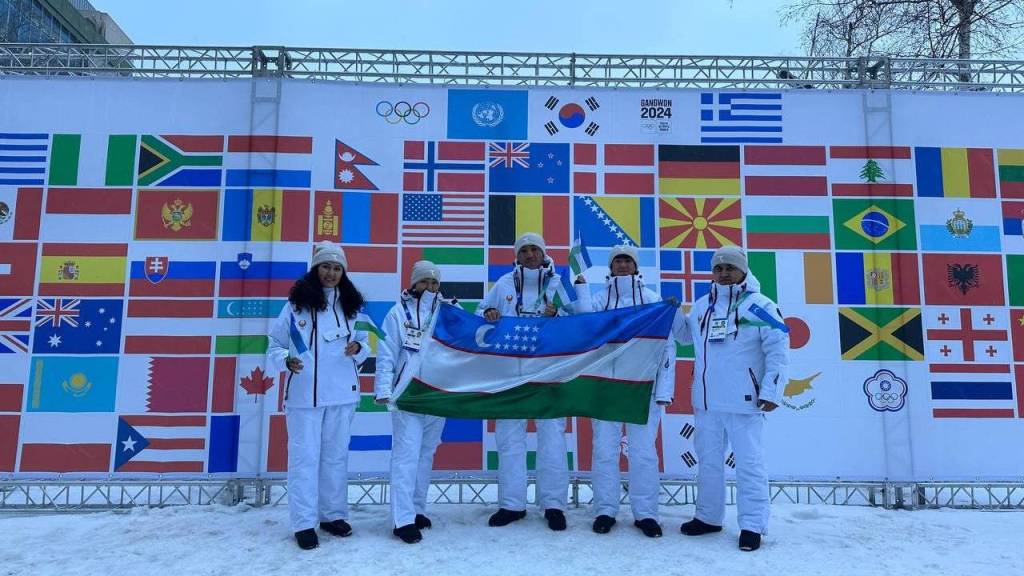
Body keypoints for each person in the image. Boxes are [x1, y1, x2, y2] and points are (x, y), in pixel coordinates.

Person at [672, 246, 789, 552]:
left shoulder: (761, 306)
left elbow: (778, 351)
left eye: (730, 268)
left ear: (743, 270)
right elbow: (684, 338)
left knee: (749, 464)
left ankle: (752, 525)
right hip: (706, 402)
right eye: (718, 268)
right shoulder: (702, 306)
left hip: (744, 402)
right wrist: (673, 313)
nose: (724, 273)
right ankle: (708, 517)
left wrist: (772, 391)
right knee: (709, 462)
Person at [478, 232, 589, 531]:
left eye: (534, 249)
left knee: (552, 439)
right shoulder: (504, 284)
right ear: (516, 256)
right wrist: (489, 312)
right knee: (509, 439)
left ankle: (553, 504)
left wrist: (558, 314)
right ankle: (511, 504)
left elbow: (581, 321)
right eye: (524, 250)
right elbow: (480, 313)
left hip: (549, 371)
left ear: (543, 253)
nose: (529, 255)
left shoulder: (558, 283)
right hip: (510, 372)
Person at [267, 241, 371, 550]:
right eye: (326, 266)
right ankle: (303, 523)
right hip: (305, 398)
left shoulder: (352, 306)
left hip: (342, 395)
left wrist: (359, 348)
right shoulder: (295, 305)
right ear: (315, 269)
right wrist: (285, 360)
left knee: (336, 458)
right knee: (304, 459)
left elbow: (365, 344)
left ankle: (332, 515)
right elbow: (275, 344)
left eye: (337, 268)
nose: (331, 273)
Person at [585, 245, 675, 538]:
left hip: (642, 388)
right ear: (610, 267)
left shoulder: (653, 300)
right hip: (607, 387)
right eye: (617, 261)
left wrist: (664, 389)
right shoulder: (598, 300)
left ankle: (646, 513)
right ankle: (605, 510)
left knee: (643, 453)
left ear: (636, 267)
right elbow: (582, 331)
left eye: (627, 261)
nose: (622, 265)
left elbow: (668, 348)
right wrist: (579, 294)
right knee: (604, 451)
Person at [375, 260, 452, 544]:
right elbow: (387, 354)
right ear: (413, 283)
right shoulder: (397, 313)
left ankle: (417, 509)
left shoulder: (446, 313)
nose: (429, 287)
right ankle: (402, 519)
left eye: (434, 282)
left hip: (435, 394)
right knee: (406, 455)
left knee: (426, 453)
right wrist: (383, 389)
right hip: (407, 394)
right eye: (424, 281)